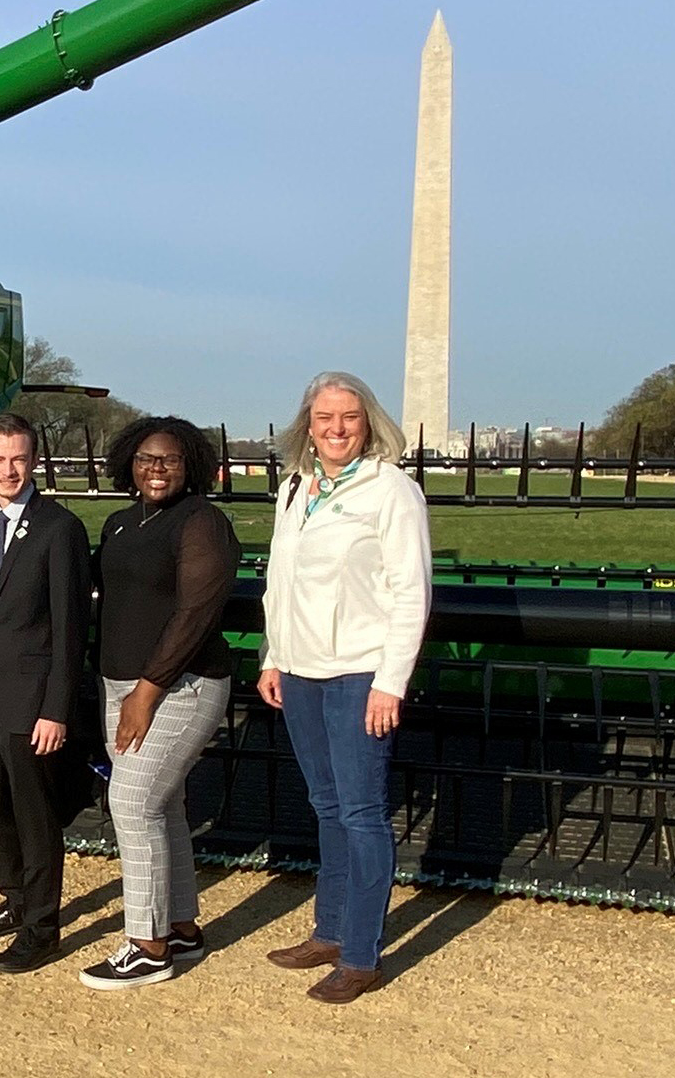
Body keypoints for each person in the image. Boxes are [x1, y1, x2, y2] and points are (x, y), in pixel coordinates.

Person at [257, 371, 431, 1005]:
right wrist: (274, 654)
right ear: (307, 425)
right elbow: (280, 581)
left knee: (361, 813)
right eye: (324, 418)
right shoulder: (294, 488)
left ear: (368, 422)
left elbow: (411, 593)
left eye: (348, 418)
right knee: (325, 804)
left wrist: (391, 682)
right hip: (300, 670)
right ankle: (328, 931)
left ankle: (361, 953)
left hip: (360, 672)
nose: (335, 429)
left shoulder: (392, 491)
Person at [78, 417, 241, 990]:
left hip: (181, 685)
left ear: (190, 465)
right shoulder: (122, 524)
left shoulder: (201, 522)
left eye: (169, 460)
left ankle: (147, 946)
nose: (156, 468)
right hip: (119, 685)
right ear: (128, 463)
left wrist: (146, 692)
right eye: (146, 458)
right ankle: (180, 928)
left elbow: (196, 612)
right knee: (162, 805)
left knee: (133, 803)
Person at [0, 413, 90, 974]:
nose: (8, 469)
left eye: (18, 458)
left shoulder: (59, 528)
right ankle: (14, 897)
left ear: (33, 461)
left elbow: (71, 626)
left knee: (34, 815)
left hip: (31, 701)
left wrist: (56, 709)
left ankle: (42, 926)